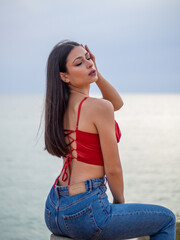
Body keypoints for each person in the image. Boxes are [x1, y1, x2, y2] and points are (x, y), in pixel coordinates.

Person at [44, 40, 176, 240]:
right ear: (64, 76)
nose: (89, 64)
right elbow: (113, 169)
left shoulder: (58, 107)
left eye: (89, 58)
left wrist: (94, 73)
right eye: (79, 63)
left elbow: (116, 103)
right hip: (84, 211)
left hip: (54, 209)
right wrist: (120, 204)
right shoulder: (97, 108)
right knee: (167, 219)